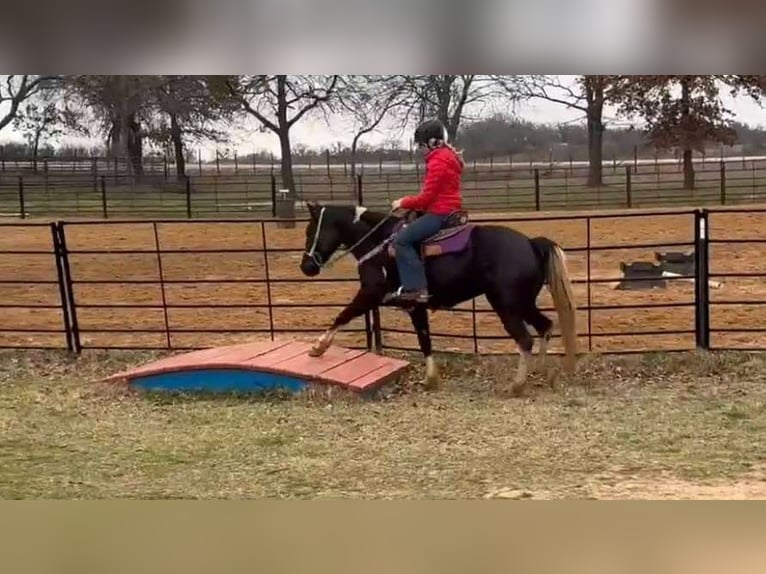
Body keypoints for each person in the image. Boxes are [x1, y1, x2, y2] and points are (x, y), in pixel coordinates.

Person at [385, 119, 464, 305]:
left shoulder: (438, 162)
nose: (420, 150)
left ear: (431, 143)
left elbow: (426, 198)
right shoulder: (447, 158)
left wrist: (402, 202)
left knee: (401, 241)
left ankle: (416, 288)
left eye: (421, 145)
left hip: (440, 212)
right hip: (449, 209)